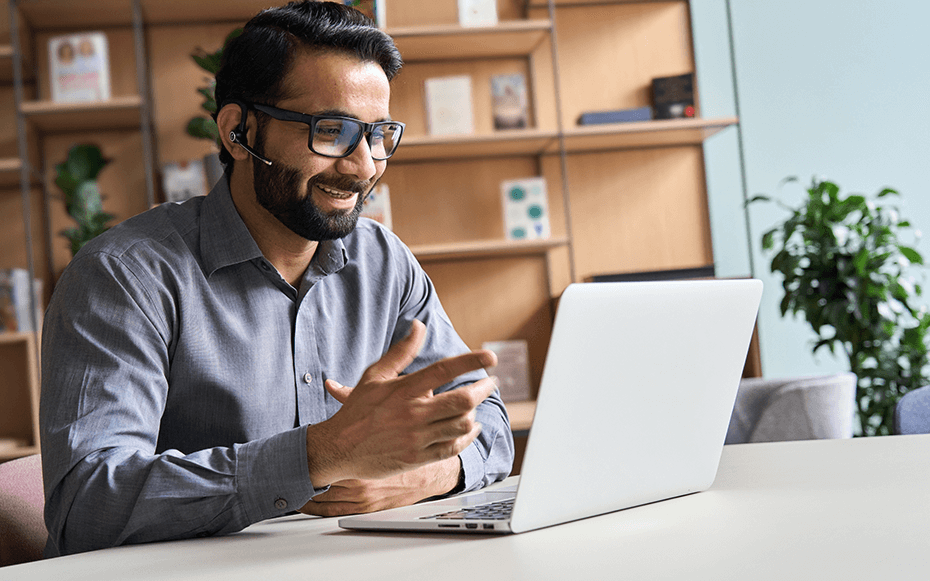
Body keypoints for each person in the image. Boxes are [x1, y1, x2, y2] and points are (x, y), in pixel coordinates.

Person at [39, 0, 513, 557]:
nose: (363, 166)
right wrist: (320, 455)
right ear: (238, 132)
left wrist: (423, 476)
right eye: (330, 130)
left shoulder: (382, 262)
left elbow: (491, 425)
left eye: (379, 134)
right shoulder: (123, 277)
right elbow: (86, 505)